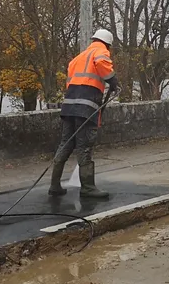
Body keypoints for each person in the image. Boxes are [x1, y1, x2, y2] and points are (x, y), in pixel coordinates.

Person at [49, 29, 121, 199]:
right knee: (84, 146)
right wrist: (113, 80)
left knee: (65, 143)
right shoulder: (100, 51)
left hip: (69, 107)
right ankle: (87, 187)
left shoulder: (77, 58)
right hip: (86, 108)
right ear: (108, 44)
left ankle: (54, 185)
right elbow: (102, 64)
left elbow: (71, 83)